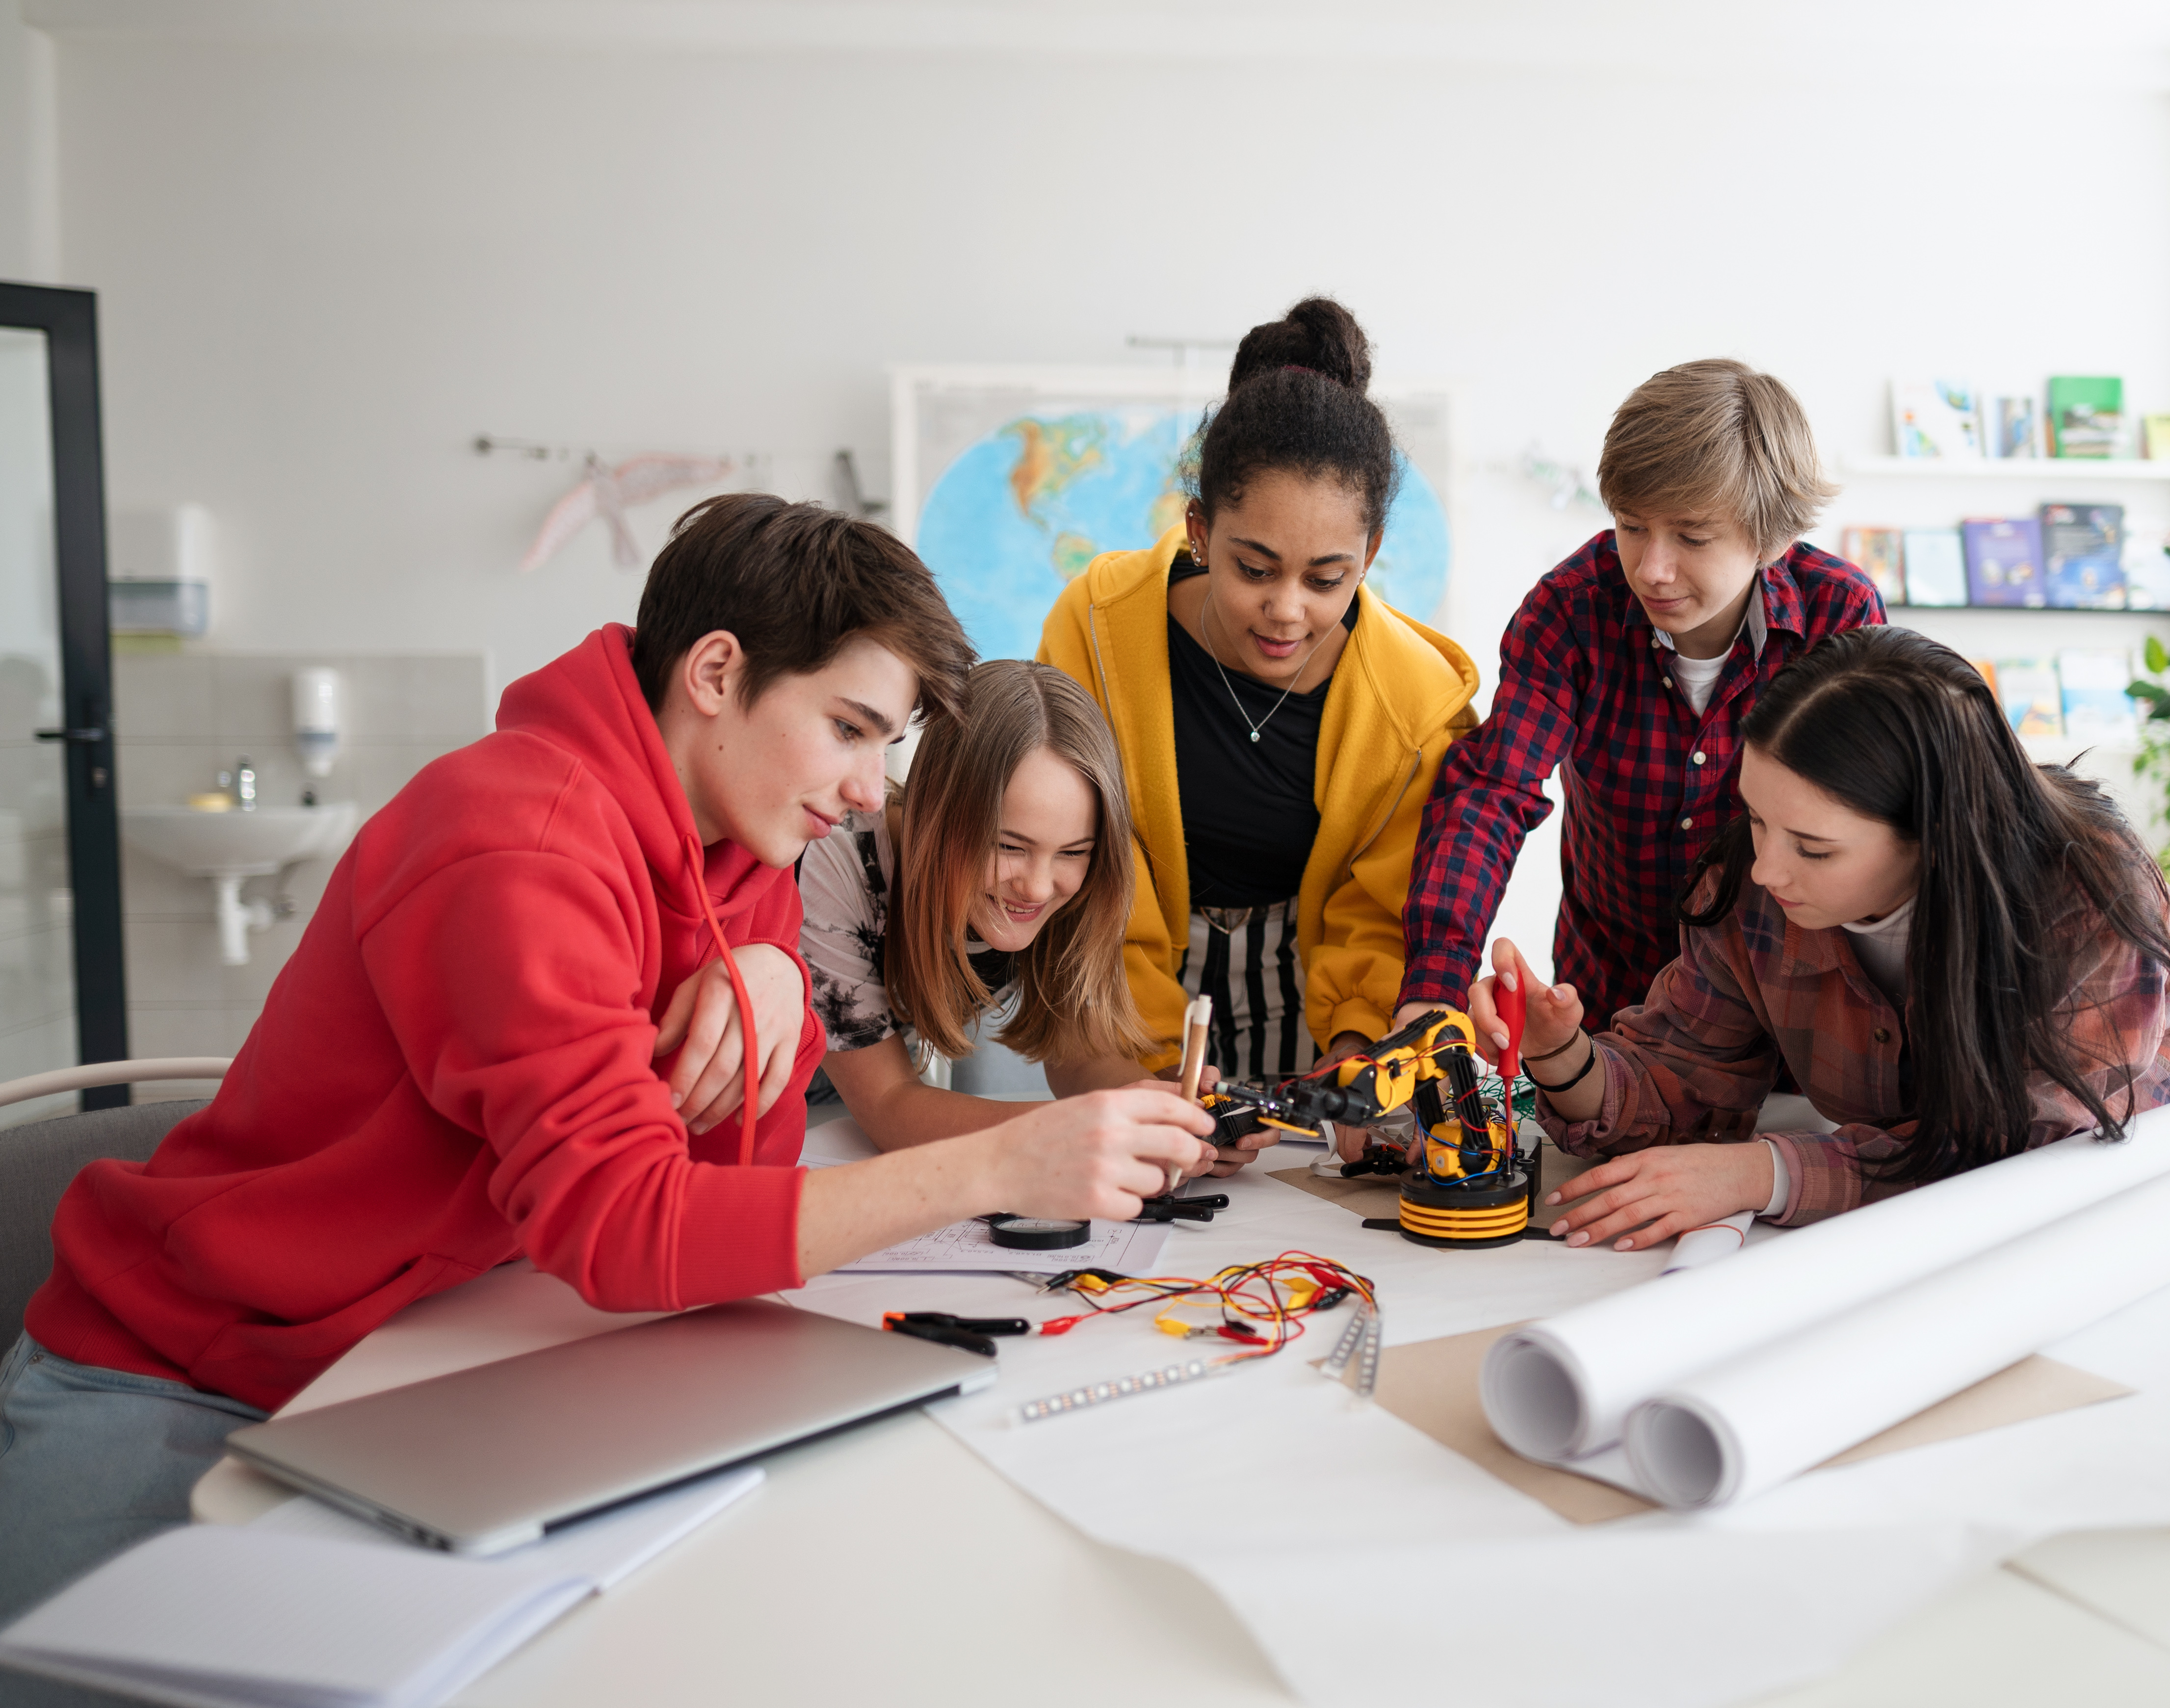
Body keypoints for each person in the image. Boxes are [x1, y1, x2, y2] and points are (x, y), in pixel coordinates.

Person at [0, 495, 1212, 1619]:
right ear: (718, 673)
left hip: (418, 1364)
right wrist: (995, 1167)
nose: (859, 789)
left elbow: (745, 1168)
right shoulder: (515, 843)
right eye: (848, 728)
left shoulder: (744, 847)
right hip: (178, 1377)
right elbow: (627, 1228)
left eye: (879, 745)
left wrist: (774, 972)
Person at [1468, 625, 2170, 1253]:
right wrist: (1561, 1055)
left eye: (1813, 848)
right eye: (1753, 818)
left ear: (1936, 835)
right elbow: (1683, 1087)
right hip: (1927, 1247)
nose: (1768, 869)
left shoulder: (2085, 897)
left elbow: (2030, 1165)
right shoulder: (1751, 884)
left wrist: (1768, 1171)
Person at [1038, 297, 1478, 1167]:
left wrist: (1354, 1063)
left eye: (1327, 578)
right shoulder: (1095, 629)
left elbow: (1376, 919)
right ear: (1199, 530)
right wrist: (1141, 1070)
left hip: (1311, 1017)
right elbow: (1081, 879)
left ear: (1373, 551)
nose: (1287, 611)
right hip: (1118, 1000)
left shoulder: (1416, 703)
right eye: (1252, 568)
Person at [1394, 359, 1886, 1044]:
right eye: (1631, 526)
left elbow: (1871, 825)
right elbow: (1492, 791)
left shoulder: (1839, 610)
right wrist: (1434, 987)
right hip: (1610, 1008)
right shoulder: (1570, 610)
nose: (1651, 568)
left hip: (1789, 1014)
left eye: (1691, 536)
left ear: (1772, 537)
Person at [802, 657, 1158, 1148]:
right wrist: (1088, 1126)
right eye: (1008, 846)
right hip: (779, 1118)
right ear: (937, 813)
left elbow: (1080, 1055)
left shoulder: (1074, 890)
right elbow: (889, 1106)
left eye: (1074, 851)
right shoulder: (834, 861)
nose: (1036, 887)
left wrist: (1161, 1110)